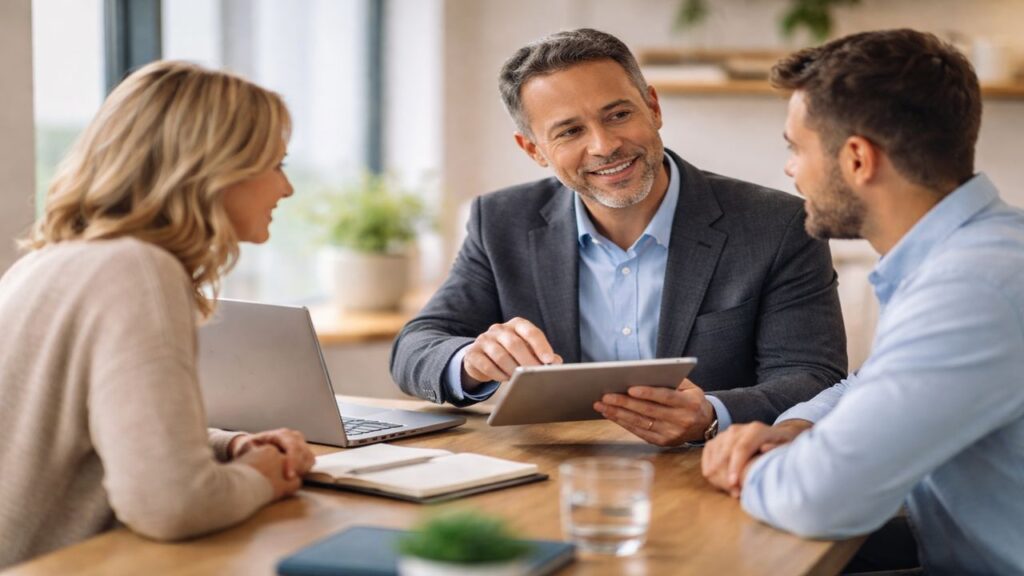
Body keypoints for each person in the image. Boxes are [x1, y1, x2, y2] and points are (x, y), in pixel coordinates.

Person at [390, 28, 847, 446]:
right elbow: (417, 346)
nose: (604, 145)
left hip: (710, 470)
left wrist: (714, 413)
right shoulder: (500, 220)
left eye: (618, 114)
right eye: (570, 131)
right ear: (533, 149)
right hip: (557, 473)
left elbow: (812, 376)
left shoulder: (778, 224)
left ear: (653, 107)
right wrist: (471, 359)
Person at [701, 29, 1024, 574]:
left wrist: (747, 466)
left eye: (795, 147)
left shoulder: (972, 290)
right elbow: (874, 382)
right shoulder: (980, 251)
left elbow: (817, 497)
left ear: (856, 159)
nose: (790, 170)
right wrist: (797, 429)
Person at [0, 60, 316, 569]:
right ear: (214, 170)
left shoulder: (48, 261)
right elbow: (171, 505)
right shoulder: (138, 271)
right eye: (276, 165)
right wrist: (262, 476)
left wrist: (228, 447)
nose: (287, 189)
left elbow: (95, 431)